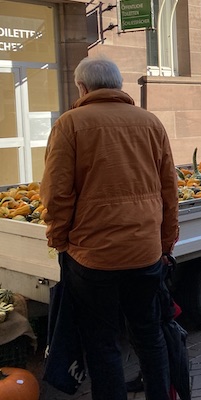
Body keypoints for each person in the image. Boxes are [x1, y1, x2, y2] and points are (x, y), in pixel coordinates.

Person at [41, 56, 178, 400]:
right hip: (145, 252)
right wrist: (165, 244)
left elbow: (57, 192)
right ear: (118, 86)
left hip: (93, 259)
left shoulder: (70, 124)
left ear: (82, 88)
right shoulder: (150, 123)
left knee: (101, 342)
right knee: (149, 334)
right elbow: (169, 191)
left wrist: (59, 241)